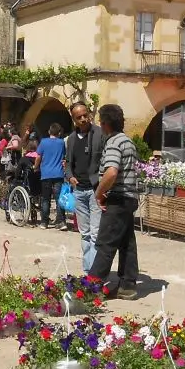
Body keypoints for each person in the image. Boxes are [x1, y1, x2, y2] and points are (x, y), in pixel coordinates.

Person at [88, 104, 140, 301]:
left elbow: (111, 171)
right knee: (127, 243)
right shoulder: (127, 141)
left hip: (118, 198)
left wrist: (99, 193)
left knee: (106, 243)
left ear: (105, 124)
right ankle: (128, 285)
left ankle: (92, 286)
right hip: (129, 197)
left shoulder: (114, 142)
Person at [66, 102, 105, 271]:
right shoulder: (72, 139)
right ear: (74, 119)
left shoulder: (100, 133)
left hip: (95, 189)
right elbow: (68, 163)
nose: (83, 119)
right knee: (85, 233)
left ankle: (94, 273)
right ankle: (88, 270)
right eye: (79, 117)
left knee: (96, 233)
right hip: (79, 190)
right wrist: (70, 177)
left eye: (85, 115)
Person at [35, 122, 67, 229]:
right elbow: (64, 157)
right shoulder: (61, 143)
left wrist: (36, 167)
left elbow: (38, 156)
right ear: (59, 132)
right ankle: (61, 222)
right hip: (58, 174)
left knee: (45, 198)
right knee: (59, 199)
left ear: (49, 131)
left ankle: (44, 222)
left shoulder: (43, 142)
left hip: (46, 174)